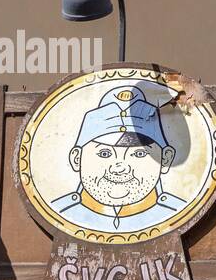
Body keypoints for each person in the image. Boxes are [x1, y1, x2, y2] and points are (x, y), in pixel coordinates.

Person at [49, 84, 188, 232]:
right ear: (77, 158)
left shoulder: (176, 211)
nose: (120, 167)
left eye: (138, 154)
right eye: (104, 154)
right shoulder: (62, 212)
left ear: (165, 159)